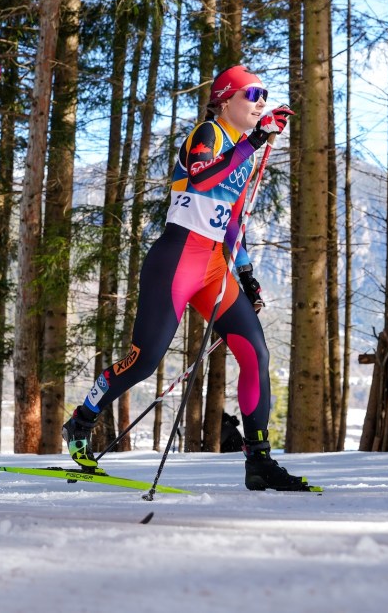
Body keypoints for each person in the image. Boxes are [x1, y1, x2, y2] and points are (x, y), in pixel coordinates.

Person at [61, 65, 313, 492]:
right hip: (177, 258)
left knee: (256, 352)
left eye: (263, 96)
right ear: (226, 99)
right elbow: (201, 177)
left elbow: (232, 220)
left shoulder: (242, 149)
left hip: (215, 264)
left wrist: (247, 277)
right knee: (145, 361)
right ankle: (82, 420)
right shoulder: (208, 134)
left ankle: (259, 461)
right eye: (252, 94)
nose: (260, 102)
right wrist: (254, 141)